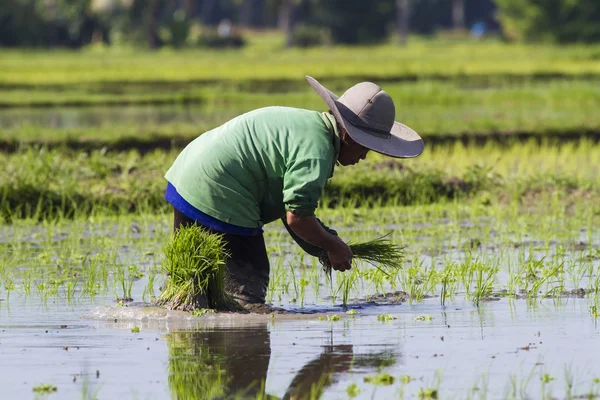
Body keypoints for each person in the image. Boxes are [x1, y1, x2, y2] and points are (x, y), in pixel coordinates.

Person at [164, 76, 424, 310]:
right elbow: (296, 218)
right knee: (248, 287)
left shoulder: (306, 127)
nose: (364, 156)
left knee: (191, 284)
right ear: (350, 137)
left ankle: (190, 348)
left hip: (186, 176)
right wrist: (334, 246)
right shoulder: (317, 151)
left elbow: (291, 210)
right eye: (366, 147)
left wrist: (325, 246)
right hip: (220, 188)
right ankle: (244, 347)